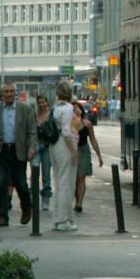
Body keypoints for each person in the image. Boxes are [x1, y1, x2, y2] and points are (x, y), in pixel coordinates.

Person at [0, 83, 37, 227]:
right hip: (1, 150)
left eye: (11, 91)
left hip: (18, 150)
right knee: (1, 183)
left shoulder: (25, 109)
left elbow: (32, 131)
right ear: (2, 94)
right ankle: (3, 216)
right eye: (6, 91)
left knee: (20, 183)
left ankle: (26, 207)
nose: (9, 94)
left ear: (15, 93)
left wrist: (32, 147)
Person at [51, 79, 80, 232]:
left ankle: (59, 218)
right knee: (67, 183)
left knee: (59, 181)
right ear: (70, 92)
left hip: (55, 146)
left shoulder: (56, 108)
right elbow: (67, 131)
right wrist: (74, 151)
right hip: (65, 145)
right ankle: (64, 220)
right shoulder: (68, 108)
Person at [72, 101, 103, 212]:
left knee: (81, 177)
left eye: (77, 108)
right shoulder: (68, 124)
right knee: (75, 179)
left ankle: (80, 203)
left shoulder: (87, 124)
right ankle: (77, 201)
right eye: (73, 109)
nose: (76, 110)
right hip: (72, 151)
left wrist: (99, 155)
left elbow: (93, 140)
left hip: (84, 150)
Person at [34, 95, 56, 211]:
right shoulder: (34, 115)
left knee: (46, 175)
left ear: (47, 103)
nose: (41, 105)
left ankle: (46, 198)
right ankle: (33, 198)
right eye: (39, 103)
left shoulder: (52, 115)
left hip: (47, 147)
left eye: (43, 102)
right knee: (34, 171)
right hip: (36, 146)